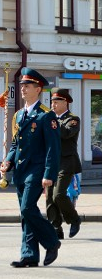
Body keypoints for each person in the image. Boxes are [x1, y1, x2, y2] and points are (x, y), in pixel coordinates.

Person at [0, 67, 61, 267]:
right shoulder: (18, 115)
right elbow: (16, 143)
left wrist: (49, 174)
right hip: (20, 169)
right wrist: (8, 160)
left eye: (28, 85)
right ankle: (29, 255)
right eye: (22, 85)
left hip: (37, 169)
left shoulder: (46, 116)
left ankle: (52, 241)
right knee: (26, 212)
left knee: (27, 208)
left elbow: (53, 148)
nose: (23, 89)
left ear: (38, 89)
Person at [46, 88, 82, 239]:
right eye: (52, 102)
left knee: (59, 194)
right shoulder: (51, 120)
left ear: (65, 102)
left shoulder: (72, 119)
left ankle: (74, 219)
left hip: (67, 161)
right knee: (49, 197)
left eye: (56, 102)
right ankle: (55, 228)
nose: (53, 105)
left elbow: (66, 134)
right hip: (51, 161)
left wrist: (53, 121)